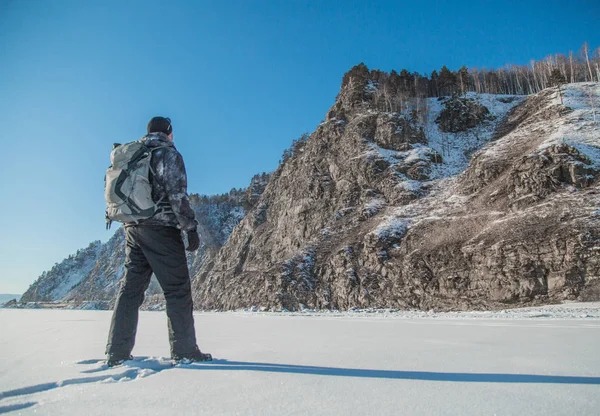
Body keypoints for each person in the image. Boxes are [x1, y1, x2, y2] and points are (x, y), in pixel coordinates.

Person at [105, 116, 210, 366]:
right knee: (177, 290)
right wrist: (190, 227)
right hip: (161, 228)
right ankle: (185, 351)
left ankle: (116, 352)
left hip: (133, 228)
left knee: (130, 291)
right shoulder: (167, 154)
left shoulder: (135, 154)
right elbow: (177, 195)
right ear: (169, 132)